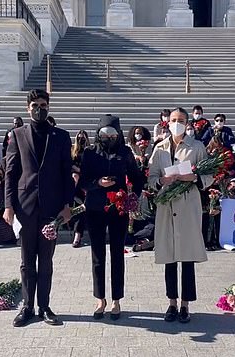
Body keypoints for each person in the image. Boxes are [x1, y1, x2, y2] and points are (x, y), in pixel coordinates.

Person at [4, 89, 73, 327]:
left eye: (43, 104)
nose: (39, 108)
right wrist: (8, 206)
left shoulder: (61, 136)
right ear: (27, 107)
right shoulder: (17, 134)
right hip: (25, 207)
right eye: (35, 105)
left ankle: (44, 306)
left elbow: (67, 173)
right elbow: (11, 174)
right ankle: (27, 306)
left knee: (46, 261)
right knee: (26, 261)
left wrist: (67, 206)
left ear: (48, 107)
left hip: (52, 209)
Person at [148, 107, 213, 324]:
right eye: (174, 120)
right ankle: (172, 303)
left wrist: (193, 177)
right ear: (168, 123)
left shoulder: (196, 146)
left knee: (186, 257)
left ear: (188, 124)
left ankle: (186, 304)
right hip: (167, 205)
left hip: (187, 205)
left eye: (181, 120)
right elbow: (151, 177)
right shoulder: (160, 148)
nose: (177, 123)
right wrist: (160, 182)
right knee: (169, 257)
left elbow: (208, 175)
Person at [78, 114, 144, 321]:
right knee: (98, 255)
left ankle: (116, 299)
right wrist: (98, 183)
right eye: (104, 134)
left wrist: (133, 196)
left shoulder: (125, 152)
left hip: (119, 209)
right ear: (98, 134)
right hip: (95, 208)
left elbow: (137, 177)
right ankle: (100, 299)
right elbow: (83, 182)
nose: (109, 138)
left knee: (117, 253)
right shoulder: (89, 153)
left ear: (119, 134)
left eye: (113, 134)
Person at [71, 130, 90, 248]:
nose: (81, 140)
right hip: (74, 185)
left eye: (83, 138)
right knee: (79, 209)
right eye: (79, 138)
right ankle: (77, 236)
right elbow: (68, 164)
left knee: (82, 209)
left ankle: (78, 235)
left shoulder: (90, 151)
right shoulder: (73, 150)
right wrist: (75, 170)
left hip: (85, 183)